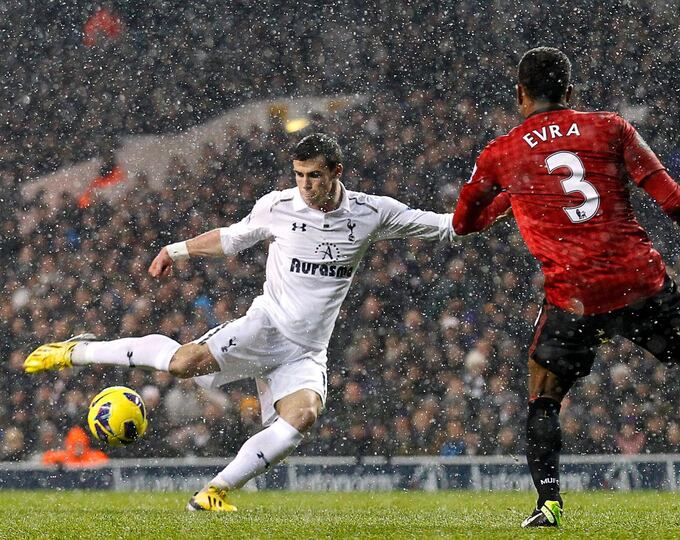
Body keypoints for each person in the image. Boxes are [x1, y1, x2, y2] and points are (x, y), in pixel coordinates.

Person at [24, 133, 508, 511]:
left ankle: (213, 492)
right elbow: (232, 239)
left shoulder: (371, 213)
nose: (306, 186)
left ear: (337, 172)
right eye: (299, 175)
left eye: (315, 176)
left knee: (303, 416)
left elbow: (445, 227)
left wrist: (502, 206)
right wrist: (176, 249)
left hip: (307, 349)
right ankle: (79, 349)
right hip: (266, 326)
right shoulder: (278, 207)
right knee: (181, 363)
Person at [453, 47, 680, 528]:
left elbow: (463, 222)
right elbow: (673, 199)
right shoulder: (610, 127)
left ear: (520, 94)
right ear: (570, 92)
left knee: (544, 397)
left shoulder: (502, 153)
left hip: (575, 297)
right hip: (640, 280)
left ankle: (548, 501)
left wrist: (507, 198)